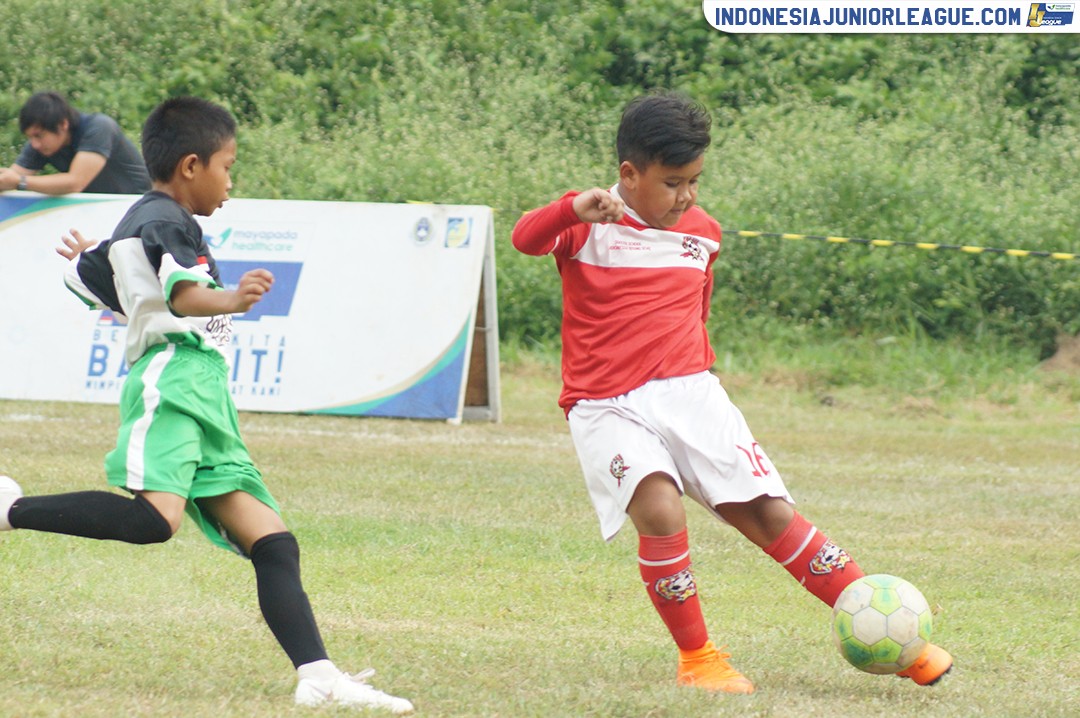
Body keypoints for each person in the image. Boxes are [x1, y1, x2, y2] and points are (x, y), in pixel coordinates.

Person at [511, 92, 953, 694]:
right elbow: (524, 238)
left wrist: (695, 374)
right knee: (659, 507)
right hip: (607, 404)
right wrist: (571, 208)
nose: (687, 196)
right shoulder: (587, 225)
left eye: (694, 181)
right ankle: (698, 659)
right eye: (672, 183)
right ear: (629, 175)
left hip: (692, 393)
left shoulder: (703, 235)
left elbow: (695, 313)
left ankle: (899, 642)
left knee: (770, 513)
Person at [0, 96, 413, 714]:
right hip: (175, 379)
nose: (230, 181)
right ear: (191, 165)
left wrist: (101, 255)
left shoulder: (152, 220)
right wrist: (232, 298)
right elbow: (184, 297)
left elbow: (110, 280)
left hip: (206, 390)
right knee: (154, 521)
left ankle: (320, 678)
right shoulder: (168, 219)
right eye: (227, 166)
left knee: (273, 541)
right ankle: (9, 508)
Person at [0, 91, 151, 195]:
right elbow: (12, 176)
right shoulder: (41, 144)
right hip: (96, 209)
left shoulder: (99, 128)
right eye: (30, 137)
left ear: (63, 124)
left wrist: (20, 182)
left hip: (135, 206)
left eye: (38, 136)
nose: (35, 144)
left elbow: (75, 182)